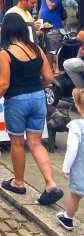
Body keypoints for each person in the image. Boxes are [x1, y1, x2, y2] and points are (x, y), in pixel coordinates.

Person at [0, 13, 63, 205]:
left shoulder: (6, 53)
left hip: (17, 100)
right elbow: (48, 77)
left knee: (16, 142)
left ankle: (18, 182)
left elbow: (3, 84)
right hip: (38, 98)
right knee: (36, 143)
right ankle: (51, 184)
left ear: (6, 30)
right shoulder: (36, 49)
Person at [57, 88, 84, 231]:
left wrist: (66, 168)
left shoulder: (76, 126)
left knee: (75, 195)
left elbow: (72, 149)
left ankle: (68, 218)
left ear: (77, 105)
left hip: (81, 168)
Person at [39, 0, 64, 74]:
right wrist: (39, 22)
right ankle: (50, 70)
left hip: (54, 26)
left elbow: (51, 6)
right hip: (45, 26)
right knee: (48, 49)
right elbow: (42, 9)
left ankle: (56, 69)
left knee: (55, 49)